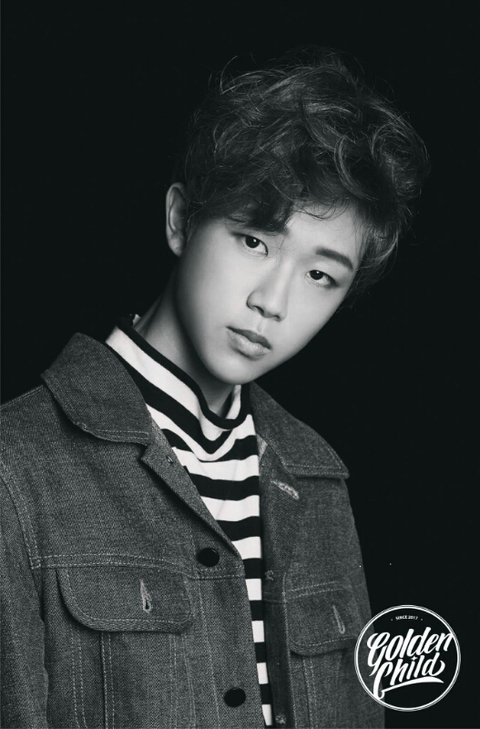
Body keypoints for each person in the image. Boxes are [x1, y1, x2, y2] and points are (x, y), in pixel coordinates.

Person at [0, 49, 428, 729]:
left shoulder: (318, 478)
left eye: (321, 275)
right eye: (254, 240)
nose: (273, 302)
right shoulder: (17, 467)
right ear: (181, 220)